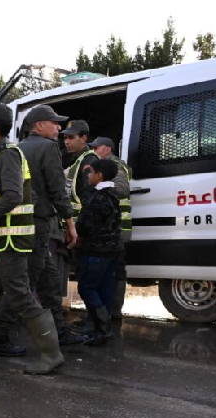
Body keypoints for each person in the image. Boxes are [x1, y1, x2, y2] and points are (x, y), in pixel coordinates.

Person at [0, 103, 64, 375]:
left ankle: (52, 354)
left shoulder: (8, 154)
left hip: (9, 242)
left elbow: (12, 196)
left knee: (20, 296)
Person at [0, 105, 83, 355]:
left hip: (22, 225)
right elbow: (57, 189)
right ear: (39, 125)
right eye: (54, 123)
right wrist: (70, 222)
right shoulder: (48, 148)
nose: (59, 128)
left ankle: (58, 331)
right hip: (38, 226)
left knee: (48, 280)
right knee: (26, 283)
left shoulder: (17, 149)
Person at [74, 158, 122, 345]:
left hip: (96, 250)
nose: (88, 176)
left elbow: (85, 225)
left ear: (99, 175)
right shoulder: (114, 194)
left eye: (91, 172)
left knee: (86, 287)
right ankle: (101, 328)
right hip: (112, 250)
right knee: (104, 289)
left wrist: (76, 234)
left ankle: (102, 329)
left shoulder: (96, 197)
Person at [90, 136, 132, 321]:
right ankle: (108, 313)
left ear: (107, 149)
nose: (93, 151)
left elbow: (122, 188)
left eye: (96, 148)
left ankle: (112, 313)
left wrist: (98, 186)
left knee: (115, 271)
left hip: (118, 229)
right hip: (113, 229)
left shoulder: (115, 165)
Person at [62, 120, 99, 217]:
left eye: (71, 137)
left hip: (82, 221)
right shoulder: (74, 158)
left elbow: (91, 195)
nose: (66, 142)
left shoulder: (89, 160)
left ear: (83, 138)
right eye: (65, 138)